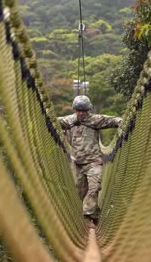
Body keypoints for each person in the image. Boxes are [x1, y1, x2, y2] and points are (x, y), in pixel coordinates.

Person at [57, 95, 122, 224]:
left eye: (84, 110)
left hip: (94, 162)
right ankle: (95, 213)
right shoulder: (69, 121)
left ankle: (88, 213)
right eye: (78, 110)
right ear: (75, 110)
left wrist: (123, 125)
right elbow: (54, 121)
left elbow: (115, 120)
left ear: (88, 110)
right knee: (80, 194)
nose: (81, 113)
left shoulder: (95, 120)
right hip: (77, 163)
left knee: (94, 187)